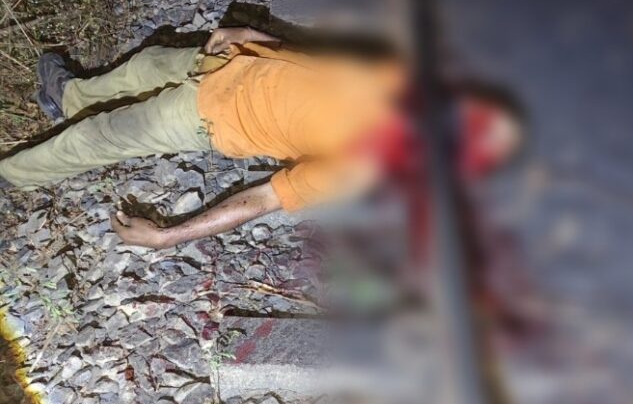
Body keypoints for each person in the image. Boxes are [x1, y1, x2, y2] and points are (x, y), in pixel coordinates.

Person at [0, 26, 526, 248]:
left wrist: (166, 236)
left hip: (210, 115)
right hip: (232, 63)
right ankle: (68, 97)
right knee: (145, 64)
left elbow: (265, 198)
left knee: (97, 138)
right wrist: (258, 39)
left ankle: (11, 175)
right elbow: (323, 66)